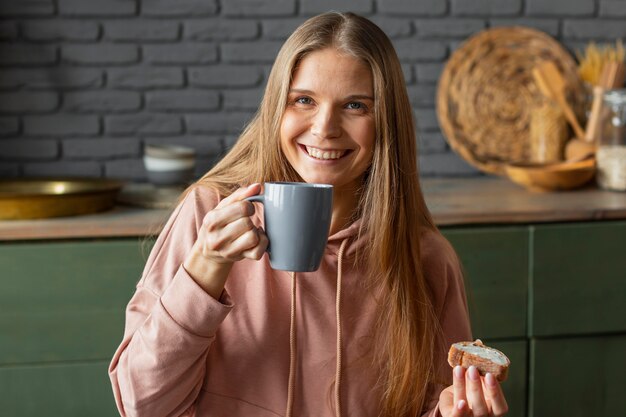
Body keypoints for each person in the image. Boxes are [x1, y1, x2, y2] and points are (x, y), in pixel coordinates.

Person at [109, 11, 508, 417]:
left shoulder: (425, 258)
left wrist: (454, 411)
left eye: (355, 105)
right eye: (304, 100)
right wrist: (205, 269)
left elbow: (437, 401)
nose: (324, 128)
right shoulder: (208, 215)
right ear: (276, 109)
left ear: (386, 121)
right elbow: (143, 405)